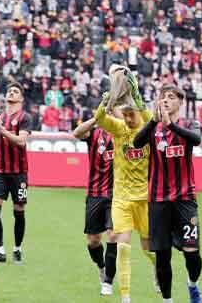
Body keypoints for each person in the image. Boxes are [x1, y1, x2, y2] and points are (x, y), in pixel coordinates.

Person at [133, 85, 202, 303]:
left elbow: (196, 139)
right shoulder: (152, 127)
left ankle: (192, 285)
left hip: (185, 198)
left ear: (180, 102)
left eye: (171, 97)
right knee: (163, 255)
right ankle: (167, 300)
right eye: (162, 97)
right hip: (158, 200)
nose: (166, 101)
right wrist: (155, 121)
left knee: (192, 251)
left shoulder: (189, 124)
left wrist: (171, 125)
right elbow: (137, 143)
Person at [94, 69, 158, 303]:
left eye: (132, 114)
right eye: (126, 114)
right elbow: (100, 118)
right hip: (121, 198)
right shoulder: (119, 129)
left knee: (148, 247)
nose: (129, 119)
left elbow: (150, 115)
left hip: (144, 198)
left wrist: (136, 95)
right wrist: (108, 98)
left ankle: (156, 270)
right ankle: (125, 296)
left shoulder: (147, 128)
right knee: (122, 246)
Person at [73, 117, 117, 296]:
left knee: (113, 235)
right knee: (93, 241)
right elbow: (76, 133)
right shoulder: (95, 133)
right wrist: (97, 117)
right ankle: (102, 267)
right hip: (94, 194)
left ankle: (108, 282)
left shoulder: (125, 133)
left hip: (116, 195)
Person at [0, 82, 32, 264]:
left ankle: (17, 248)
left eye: (15, 91)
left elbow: (21, 142)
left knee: (19, 210)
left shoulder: (25, 117)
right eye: (9, 91)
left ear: (21, 98)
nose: (11, 93)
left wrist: (2, 130)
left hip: (19, 172)